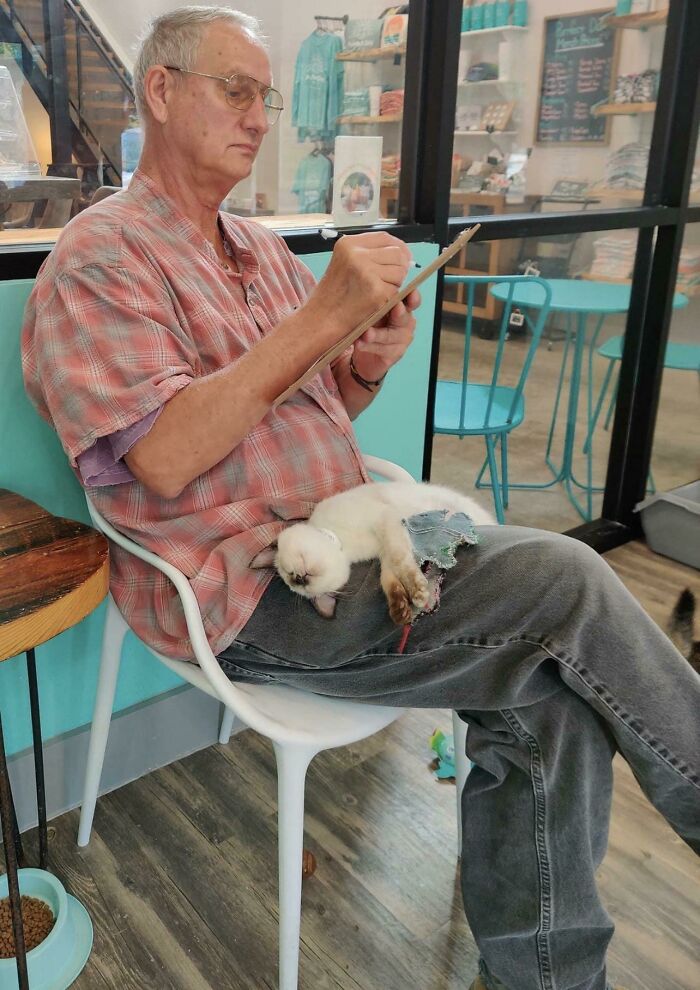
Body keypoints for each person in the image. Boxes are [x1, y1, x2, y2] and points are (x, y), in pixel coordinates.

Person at [21, 8, 699, 990]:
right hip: (258, 591)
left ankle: (546, 976)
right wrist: (324, 316)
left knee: (544, 690)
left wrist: (362, 367)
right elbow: (164, 458)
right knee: (566, 578)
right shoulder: (97, 261)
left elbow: (301, 401)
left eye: (268, 96)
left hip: (353, 536)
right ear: (160, 93)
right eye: (235, 90)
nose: (259, 118)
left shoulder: (252, 248)